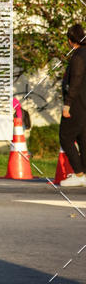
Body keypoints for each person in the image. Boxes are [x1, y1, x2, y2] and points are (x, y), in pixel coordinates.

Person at [60, 23, 86, 188]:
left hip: (77, 103)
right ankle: (83, 173)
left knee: (65, 136)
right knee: (83, 139)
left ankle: (79, 174)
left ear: (71, 39)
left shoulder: (78, 56)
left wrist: (67, 104)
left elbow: (75, 80)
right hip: (84, 104)